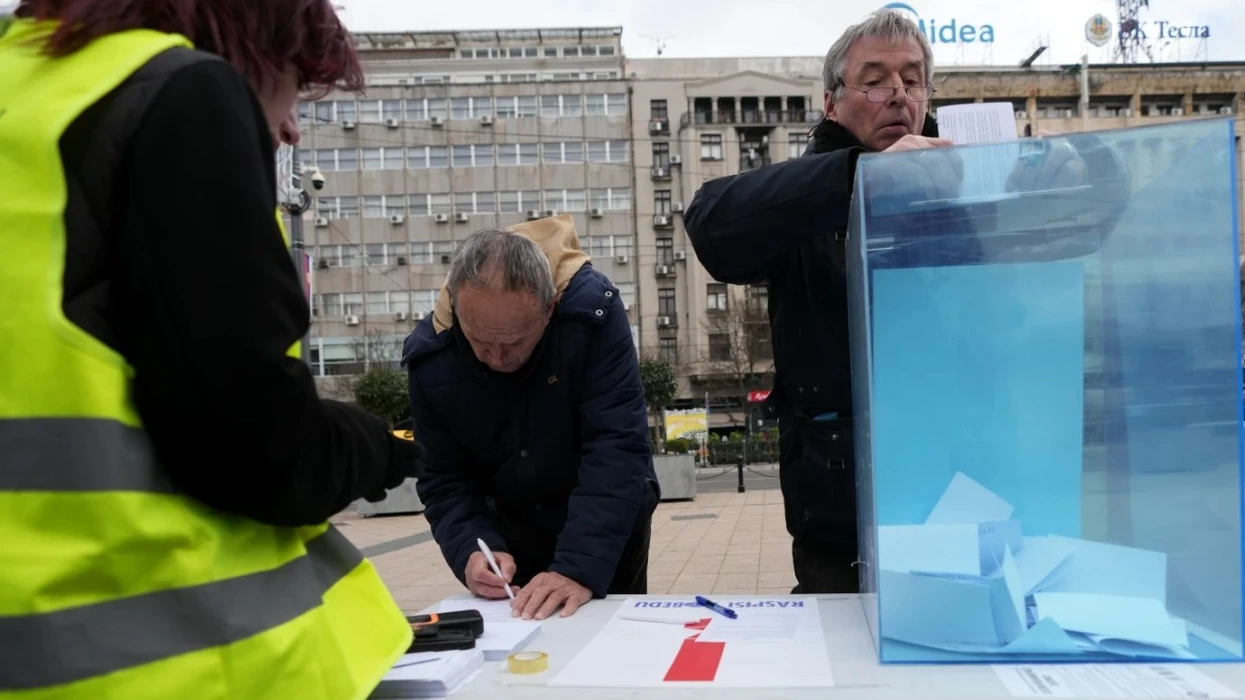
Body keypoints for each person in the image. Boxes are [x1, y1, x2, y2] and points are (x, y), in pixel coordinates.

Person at [0, 2, 422, 697]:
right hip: (171, 664)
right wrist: (378, 446)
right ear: (250, 35)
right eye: (294, 82)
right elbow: (258, 446)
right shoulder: (177, 91)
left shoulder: (30, 101)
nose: (289, 129)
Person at [684, 9, 1115, 594]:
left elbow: (1095, 218)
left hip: (970, 492)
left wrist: (1082, 168)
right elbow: (710, 225)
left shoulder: (969, 176)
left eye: (912, 81)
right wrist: (861, 177)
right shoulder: (810, 192)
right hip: (841, 511)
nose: (898, 95)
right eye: (875, 80)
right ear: (832, 101)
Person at [404, 216, 660, 622]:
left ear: (550, 308)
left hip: (605, 523)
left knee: (609, 653)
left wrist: (578, 567)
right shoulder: (431, 356)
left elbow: (616, 446)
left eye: (516, 341)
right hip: (508, 528)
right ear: (458, 310)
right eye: (481, 342)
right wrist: (473, 549)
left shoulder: (592, 317)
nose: (499, 358)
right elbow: (444, 478)